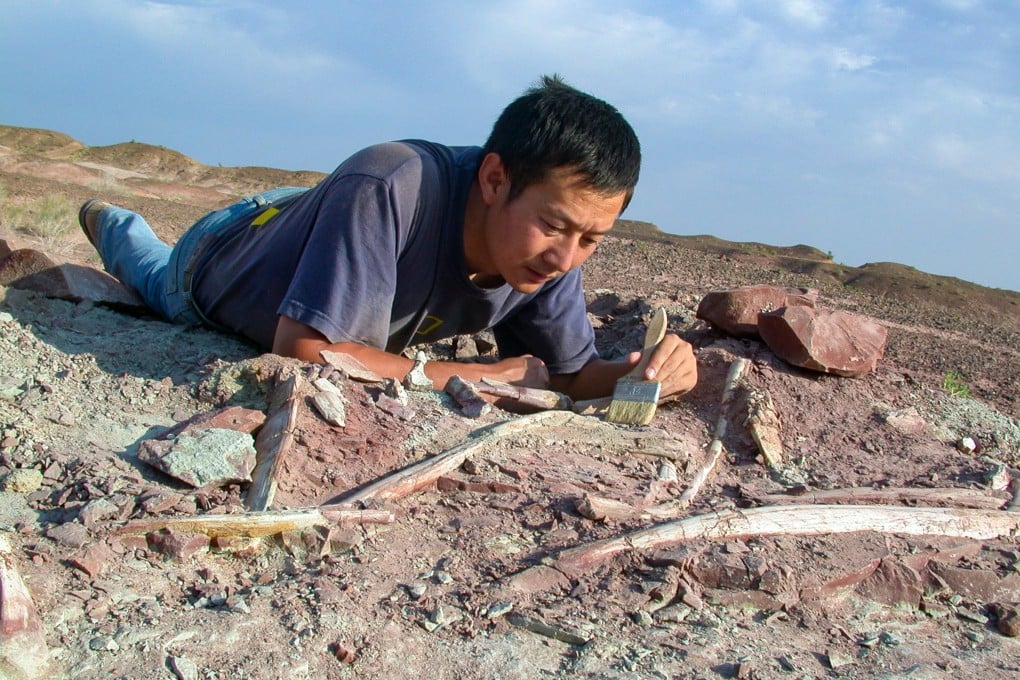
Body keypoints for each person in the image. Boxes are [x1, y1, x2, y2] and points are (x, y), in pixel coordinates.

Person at [79, 75, 697, 402]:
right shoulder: (392, 183)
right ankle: (114, 223)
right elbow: (307, 353)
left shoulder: (548, 252)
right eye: (556, 226)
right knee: (154, 277)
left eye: (592, 238)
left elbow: (568, 375)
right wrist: (483, 377)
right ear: (494, 178)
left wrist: (645, 374)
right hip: (229, 248)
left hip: (326, 215)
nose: (567, 257)